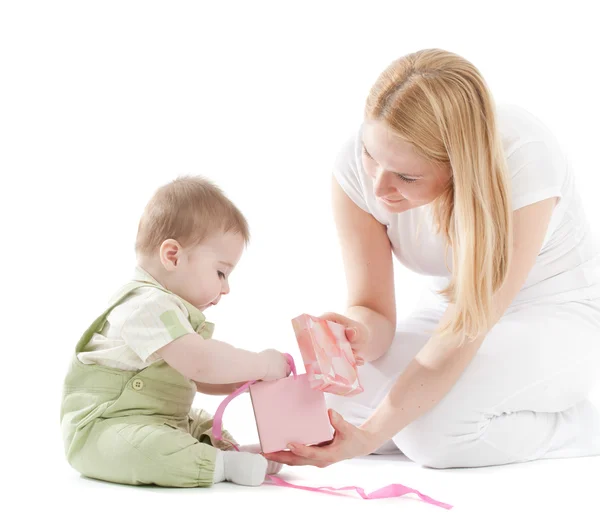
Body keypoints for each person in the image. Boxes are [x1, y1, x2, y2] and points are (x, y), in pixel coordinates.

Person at [265, 49, 600, 469]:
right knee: (334, 404)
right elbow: (374, 311)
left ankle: (579, 426)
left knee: (432, 435)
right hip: (450, 309)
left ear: (460, 167)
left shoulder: (524, 156)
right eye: (372, 157)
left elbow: (466, 329)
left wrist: (372, 435)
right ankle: (462, 417)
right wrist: (360, 335)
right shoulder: (359, 167)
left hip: (556, 317)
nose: (380, 187)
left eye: (407, 177)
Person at [61, 176, 288, 487]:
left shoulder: (171, 311)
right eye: (221, 272)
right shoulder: (145, 304)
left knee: (201, 423)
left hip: (160, 419)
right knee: (152, 449)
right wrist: (261, 363)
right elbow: (200, 362)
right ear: (172, 256)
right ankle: (220, 465)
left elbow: (197, 376)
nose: (226, 287)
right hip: (103, 429)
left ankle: (229, 453)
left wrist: (246, 381)